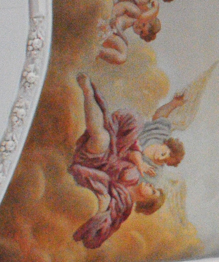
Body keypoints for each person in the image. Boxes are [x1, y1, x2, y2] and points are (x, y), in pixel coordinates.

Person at [69, 74, 166, 248]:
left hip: (90, 174)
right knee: (104, 138)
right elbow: (126, 152)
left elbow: (95, 237)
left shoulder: (124, 208)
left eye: (152, 191)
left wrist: (102, 208)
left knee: (102, 139)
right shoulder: (135, 175)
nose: (151, 186)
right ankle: (88, 93)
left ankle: (89, 95)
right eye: (154, 187)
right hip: (99, 158)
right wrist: (139, 163)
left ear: (145, 201)